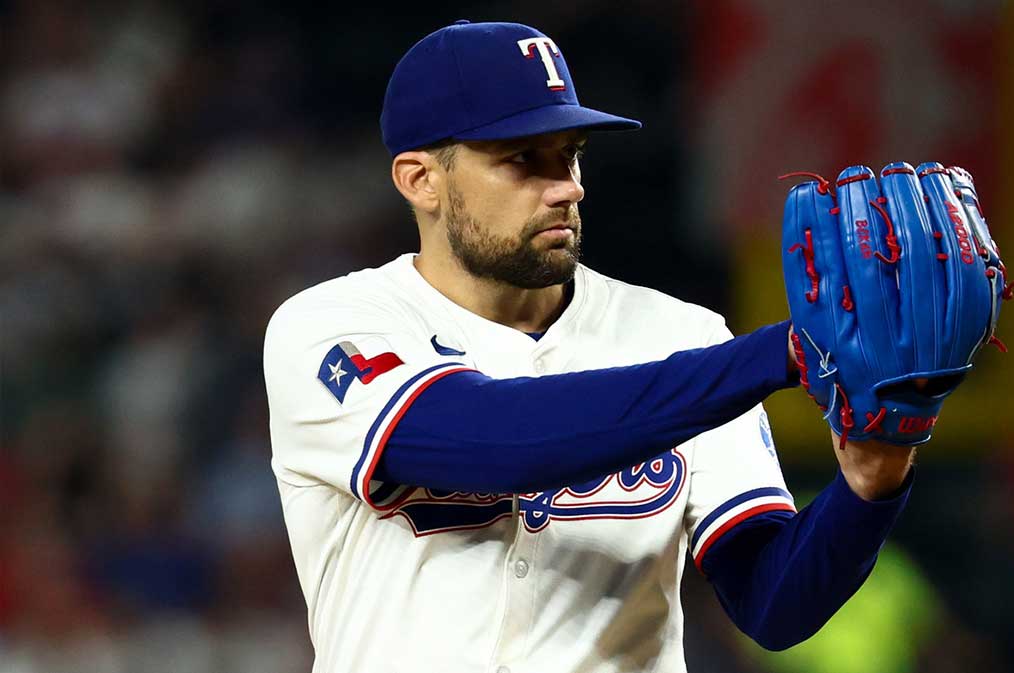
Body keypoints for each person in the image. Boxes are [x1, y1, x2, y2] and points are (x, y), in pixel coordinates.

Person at [264, 20, 915, 673]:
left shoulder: (681, 337)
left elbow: (773, 606)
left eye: (569, 153)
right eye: (523, 159)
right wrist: (784, 351)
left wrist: (870, 484)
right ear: (420, 179)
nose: (567, 186)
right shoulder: (330, 326)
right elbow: (499, 441)